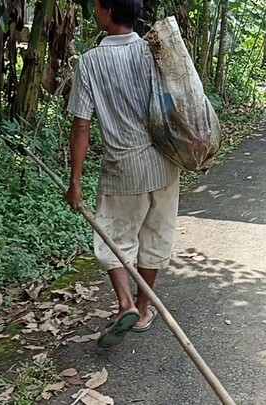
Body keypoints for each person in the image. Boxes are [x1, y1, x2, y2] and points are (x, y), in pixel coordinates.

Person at [64, 0, 179, 348]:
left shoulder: (90, 62)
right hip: (164, 163)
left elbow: (81, 126)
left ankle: (125, 303)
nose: (93, 10)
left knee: (114, 237)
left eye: (96, 5)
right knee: (156, 237)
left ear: (109, 11)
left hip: (122, 167)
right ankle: (144, 310)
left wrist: (75, 181)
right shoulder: (152, 52)